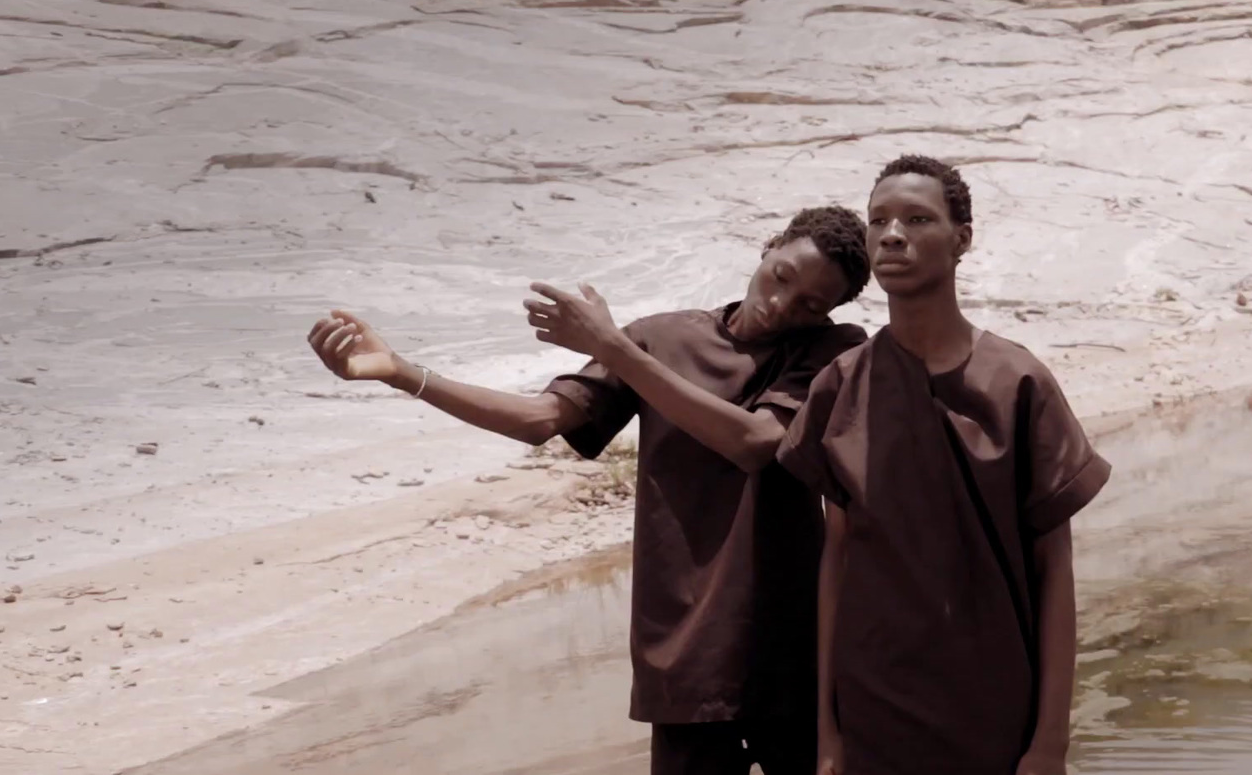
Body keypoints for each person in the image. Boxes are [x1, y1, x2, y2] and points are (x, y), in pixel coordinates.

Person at [307, 206, 872, 775]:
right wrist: (403, 373)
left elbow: (754, 442)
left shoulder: (833, 349)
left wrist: (615, 348)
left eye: (810, 304)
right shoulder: (660, 337)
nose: (781, 305)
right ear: (770, 247)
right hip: (683, 653)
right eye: (781, 277)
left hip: (792, 652)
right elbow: (538, 420)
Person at [777, 157, 1111, 775]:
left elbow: (1054, 572)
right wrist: (828, 734)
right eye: (879, 220)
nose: (892, 235)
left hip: (995, 714)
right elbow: (837, 561)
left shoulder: (1018, 383)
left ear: (962, 240)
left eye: (916, 218)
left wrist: (1049, 743)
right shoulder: (841, 388)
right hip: (875, 710)